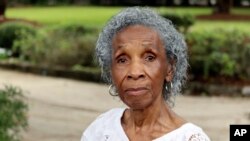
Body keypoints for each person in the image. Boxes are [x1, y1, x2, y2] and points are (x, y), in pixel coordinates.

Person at [81, 7, 210, 141]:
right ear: (111, 72)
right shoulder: (101, 130)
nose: (135, 73)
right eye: (122, 60)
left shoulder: (188, 138)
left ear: (170, 69)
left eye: (150, 58)